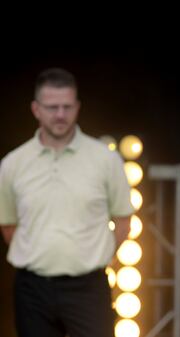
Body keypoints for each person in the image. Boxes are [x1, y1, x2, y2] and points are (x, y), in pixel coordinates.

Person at [0, 68, 134, 337]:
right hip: (33, 289)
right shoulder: (13, 163)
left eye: (67, 106)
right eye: (52, 107)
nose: (60, 114)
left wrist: (93, 255)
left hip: (88, 288)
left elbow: (123, 220)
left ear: (77, 107)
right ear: (36, 109)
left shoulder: (105, 159)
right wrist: (41, 253)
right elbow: (8, 225)